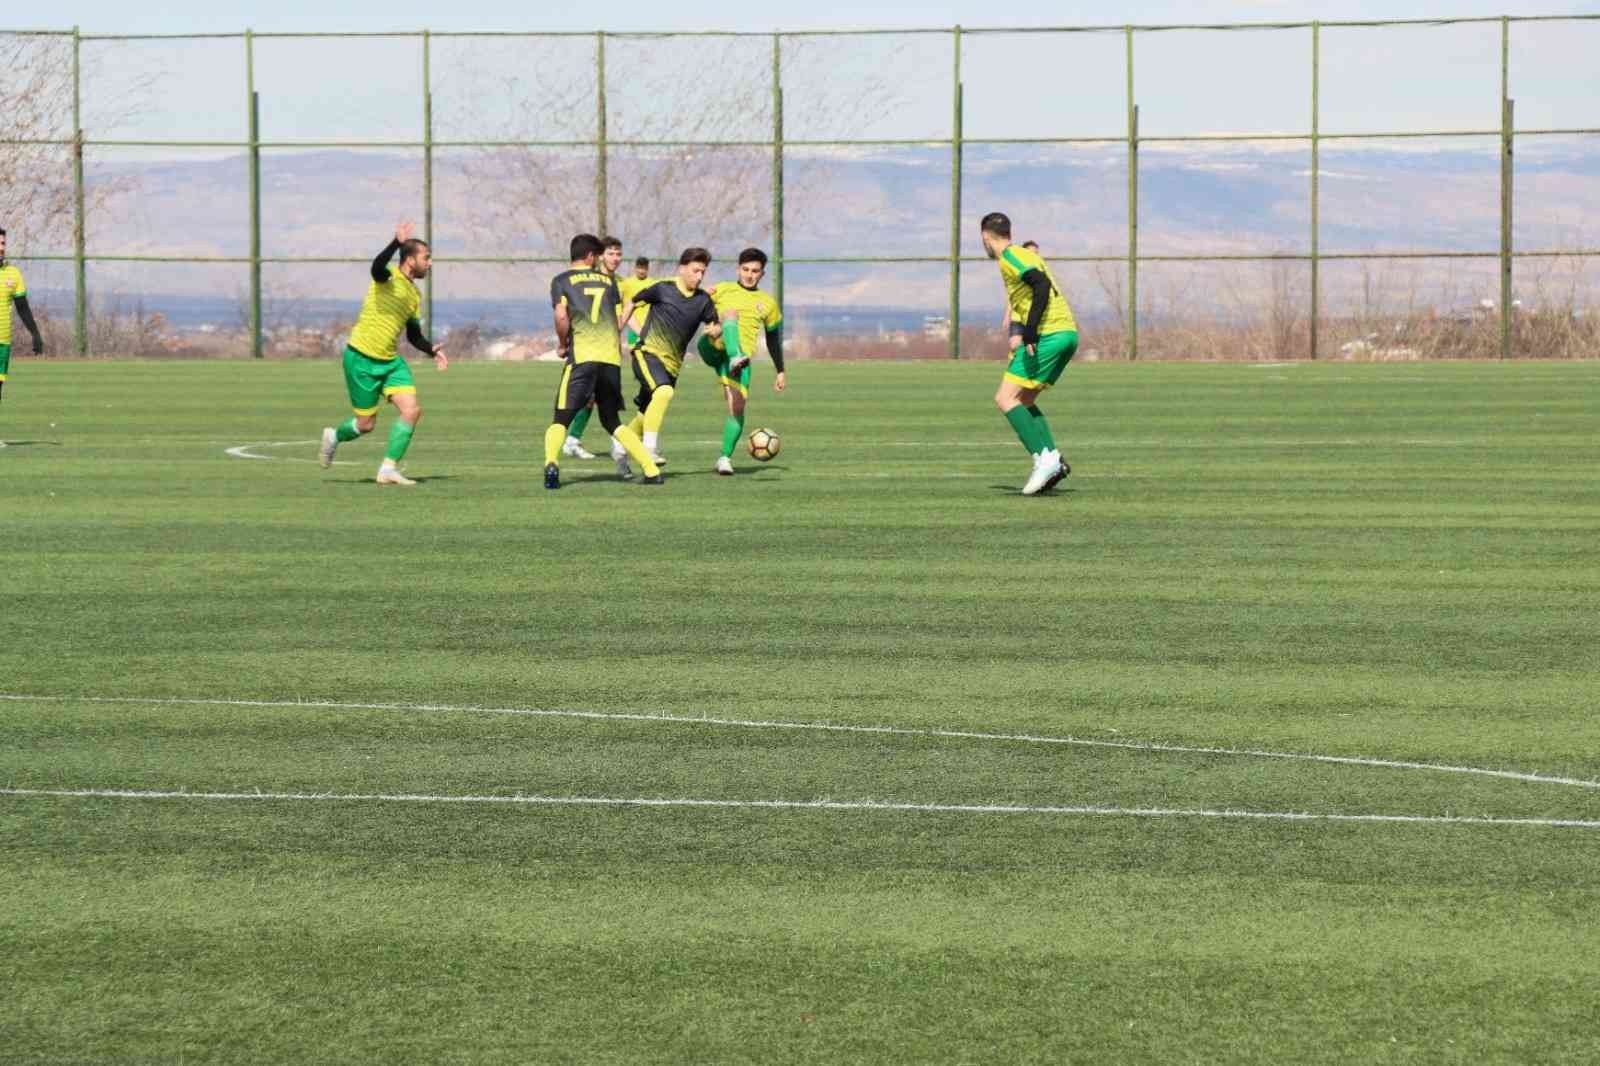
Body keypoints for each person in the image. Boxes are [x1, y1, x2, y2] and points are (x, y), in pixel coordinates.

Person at [317, 222, 447, 485]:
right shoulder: (387, 277)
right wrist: (395, 243)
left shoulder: (414, 295)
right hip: (361, 358)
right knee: (365, 424)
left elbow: (413, 335)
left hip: (390, 363)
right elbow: (376, 267)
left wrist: (431, 349)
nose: (430, 263)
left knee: (412, 410)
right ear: (410, 260)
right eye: (426, 257)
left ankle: (388, 469)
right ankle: (334, 436)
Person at [541, 234, 662, 489]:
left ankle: (551, 463)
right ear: (589, 256)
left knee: (561, 418)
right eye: (597, 256)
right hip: (610, 361)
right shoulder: (610, 283)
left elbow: (561, 316)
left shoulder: (561, 280)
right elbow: (617, 324)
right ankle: (651, 470)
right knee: (612, 421)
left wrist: (562, 344)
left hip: (582, 358)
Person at [979, 213, 1077, 496]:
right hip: (1066, 334)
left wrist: (1031, 331)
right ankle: (1053, 457)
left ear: (985, 236)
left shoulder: (1010, 257)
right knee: (1025, 399)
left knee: (1005, 398)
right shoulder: (1024, 254)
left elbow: (1041, 284)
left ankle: (1044, 460)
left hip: (1049, 335)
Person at [616, 248, 722, 466]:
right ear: (682, 268)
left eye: (703, 272)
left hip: (672, 366)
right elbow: (633, 301)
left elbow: (715, 324)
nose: (699, 276)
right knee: (664, 392)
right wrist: (618, 328)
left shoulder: (703, 301)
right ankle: (649, 450)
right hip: (647, 353)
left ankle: (620, 444)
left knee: (645, 414)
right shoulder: (663, 289)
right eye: (695, 271)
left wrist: (715, 331)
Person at [698, 247, 785, 475]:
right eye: (745, 269)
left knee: (737, 407)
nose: (749, 275)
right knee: (730, 314)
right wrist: (703, 302)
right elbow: (692, 304)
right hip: (713, 346)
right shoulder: (722, 289)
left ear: (762, 274)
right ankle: (734, 355)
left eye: (755, 271)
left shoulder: (767, 303)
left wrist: (780, 370)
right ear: (738, 269)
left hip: (741, 361)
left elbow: (773, 339)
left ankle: (724, 458)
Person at [560, 236, 627, 461]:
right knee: (592, 398)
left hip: (607, 350)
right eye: (610, 253)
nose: (615, 258)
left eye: (619, 254)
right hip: (588, 350)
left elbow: (618, 322)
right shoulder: (590, 280)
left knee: (596, 399)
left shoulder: (620, 282)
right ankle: (615, 445)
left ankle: (573, 440)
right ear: (598, 256)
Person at [0, 227, 47, 441]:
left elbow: (23, 308)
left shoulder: (13, 274)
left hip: (3, 342)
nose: (1, 248)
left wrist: (35, 333)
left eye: (3, 243)